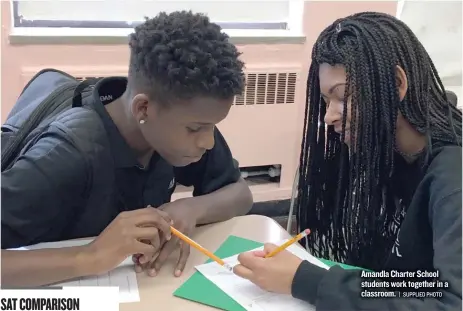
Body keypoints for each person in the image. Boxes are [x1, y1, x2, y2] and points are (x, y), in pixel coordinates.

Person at [1, 11, 253, 287]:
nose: (209, 142)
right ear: (143, 108)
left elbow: (240, 193)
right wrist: (89, 257)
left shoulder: (177, 125)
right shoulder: (67, 154)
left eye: (212, 127)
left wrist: (193, 208)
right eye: (196, 129)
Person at [234, 12, 462, 310]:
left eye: (342, 95)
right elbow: (414, 282)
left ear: (395, 84)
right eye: (326, 101)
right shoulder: (391, 153)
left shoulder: (453, 182)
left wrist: (308, 282)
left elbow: (451, 302)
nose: (329, 116)